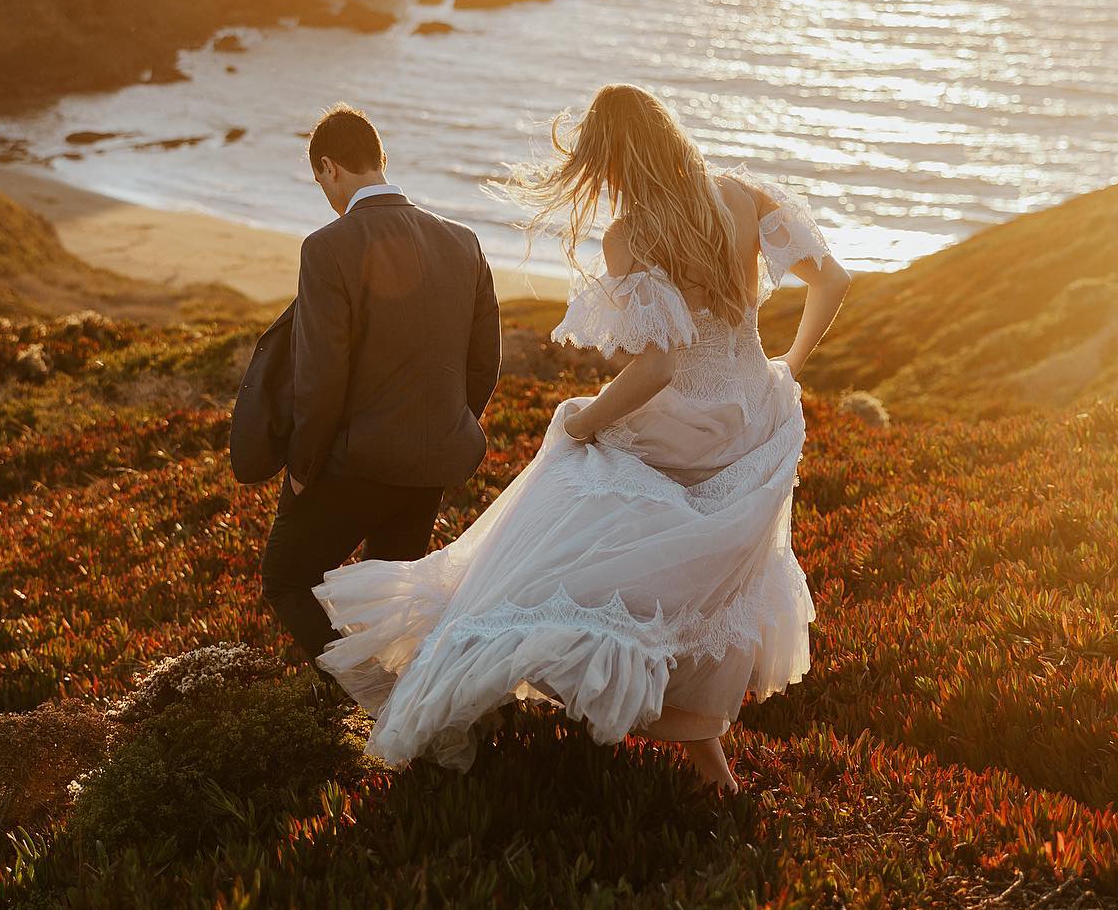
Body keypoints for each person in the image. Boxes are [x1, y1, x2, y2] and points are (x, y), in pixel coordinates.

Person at [312, 83, 851, 790]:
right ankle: (708, 767)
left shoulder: (631, 235)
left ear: (611, 161)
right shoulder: (743, 197)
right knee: (700, 584)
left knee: (558, 505)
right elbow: (834, 279)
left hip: (681, 428)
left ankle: (490, 685)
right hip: (753, 422)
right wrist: (788, 367)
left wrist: (582, 422)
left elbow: (656, 367)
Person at [260, 105, 502, 668]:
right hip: (431, 464)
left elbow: (321, 377)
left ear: (329, 167)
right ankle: (399, 709)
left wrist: (300, 469)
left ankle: (365, 690)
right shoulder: (462, 241)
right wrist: (444, 423)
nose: (323, 191)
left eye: (319, 179)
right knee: (394, 606)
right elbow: (483, 363)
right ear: (381, 161)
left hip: (356, 462)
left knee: (285, 578)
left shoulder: (326, 248)